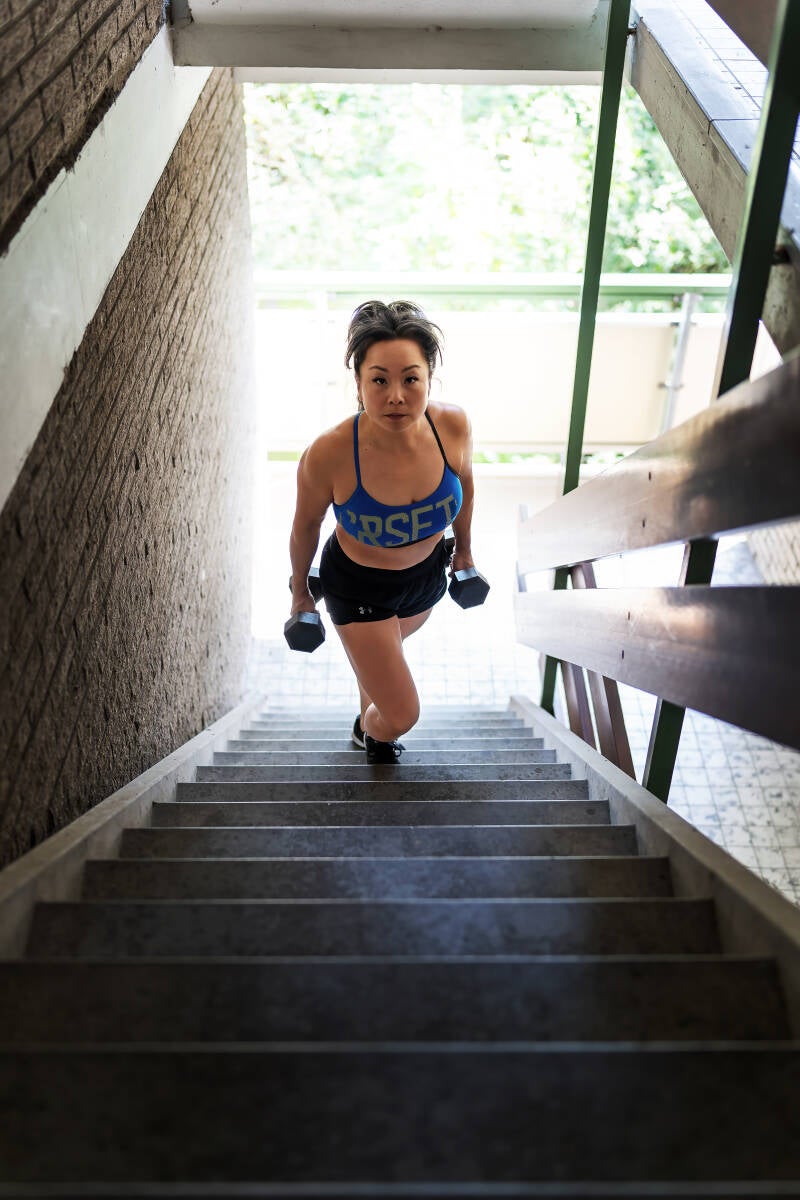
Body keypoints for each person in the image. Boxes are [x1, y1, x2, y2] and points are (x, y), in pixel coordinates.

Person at [288, 299, 477, 763]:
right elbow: (305, 526)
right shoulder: (329, 453)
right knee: (400, 712)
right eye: (379, 380)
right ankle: (369, 730)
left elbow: (467, 487)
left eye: (411, 379)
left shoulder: (452, 426)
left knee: (380, 663)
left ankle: (371, 697)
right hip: (359, 588)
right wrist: (300, 595)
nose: (396, 395)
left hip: (425, 580)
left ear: (429, 378)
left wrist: (465, 552)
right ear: (358, 383)